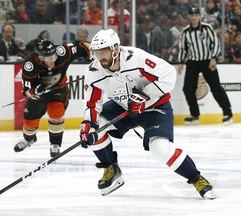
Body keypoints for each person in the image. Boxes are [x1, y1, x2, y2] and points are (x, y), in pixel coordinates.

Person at [79, 28, 218, 199]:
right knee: (94, 128)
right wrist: (88, 124)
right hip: (123, 106)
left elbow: (168, 75)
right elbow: (92, 103)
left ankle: (197, 178)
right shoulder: (93, 71)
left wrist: (143, 96)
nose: (100, 56)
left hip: (154, 107)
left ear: (115, 48)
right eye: (97, 52)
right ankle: (111, 169)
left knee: (159, 148)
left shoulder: (136, 58)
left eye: (104, 50)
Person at [14, 38, 91, 157]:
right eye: (50, 58)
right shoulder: (30, 64)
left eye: (54, 56)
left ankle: (55, 144)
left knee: (57, 112)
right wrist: (36, 91)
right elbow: (27, 90)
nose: (54, 60)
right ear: (40, 58)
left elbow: (82, 45)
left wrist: (98, 57)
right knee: (29, 119)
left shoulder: (62, 52)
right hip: (39, 94)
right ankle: (29, 139)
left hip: (58, 89)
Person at [178, 6, 233, 126]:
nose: (194, 17)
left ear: (199, 16)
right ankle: (195, 114)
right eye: (192, 15)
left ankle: (227, 113)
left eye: (196, 15)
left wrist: (214, 58)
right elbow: (183, 48)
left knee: (216, 87)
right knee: (187, 89)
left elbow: (215, 43)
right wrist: (181, 62)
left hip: (207, 61)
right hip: (193, 62)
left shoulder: (207, 28)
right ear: (189, 16)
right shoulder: (186, 31)